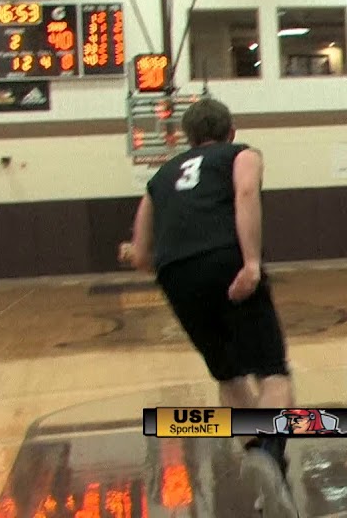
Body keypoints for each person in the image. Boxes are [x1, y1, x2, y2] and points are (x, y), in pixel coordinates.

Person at [118, 98, 298, 518]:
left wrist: (131, 253)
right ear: (230, 131)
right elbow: (247, 193)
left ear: (187, 137)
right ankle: (270, 455)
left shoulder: (160, 177)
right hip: (223, 258)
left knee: (229, 373)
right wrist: (251, 261)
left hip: (174, 274)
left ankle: (255, 450)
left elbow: (143, 255)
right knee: (272, 371)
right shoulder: (242, 155)